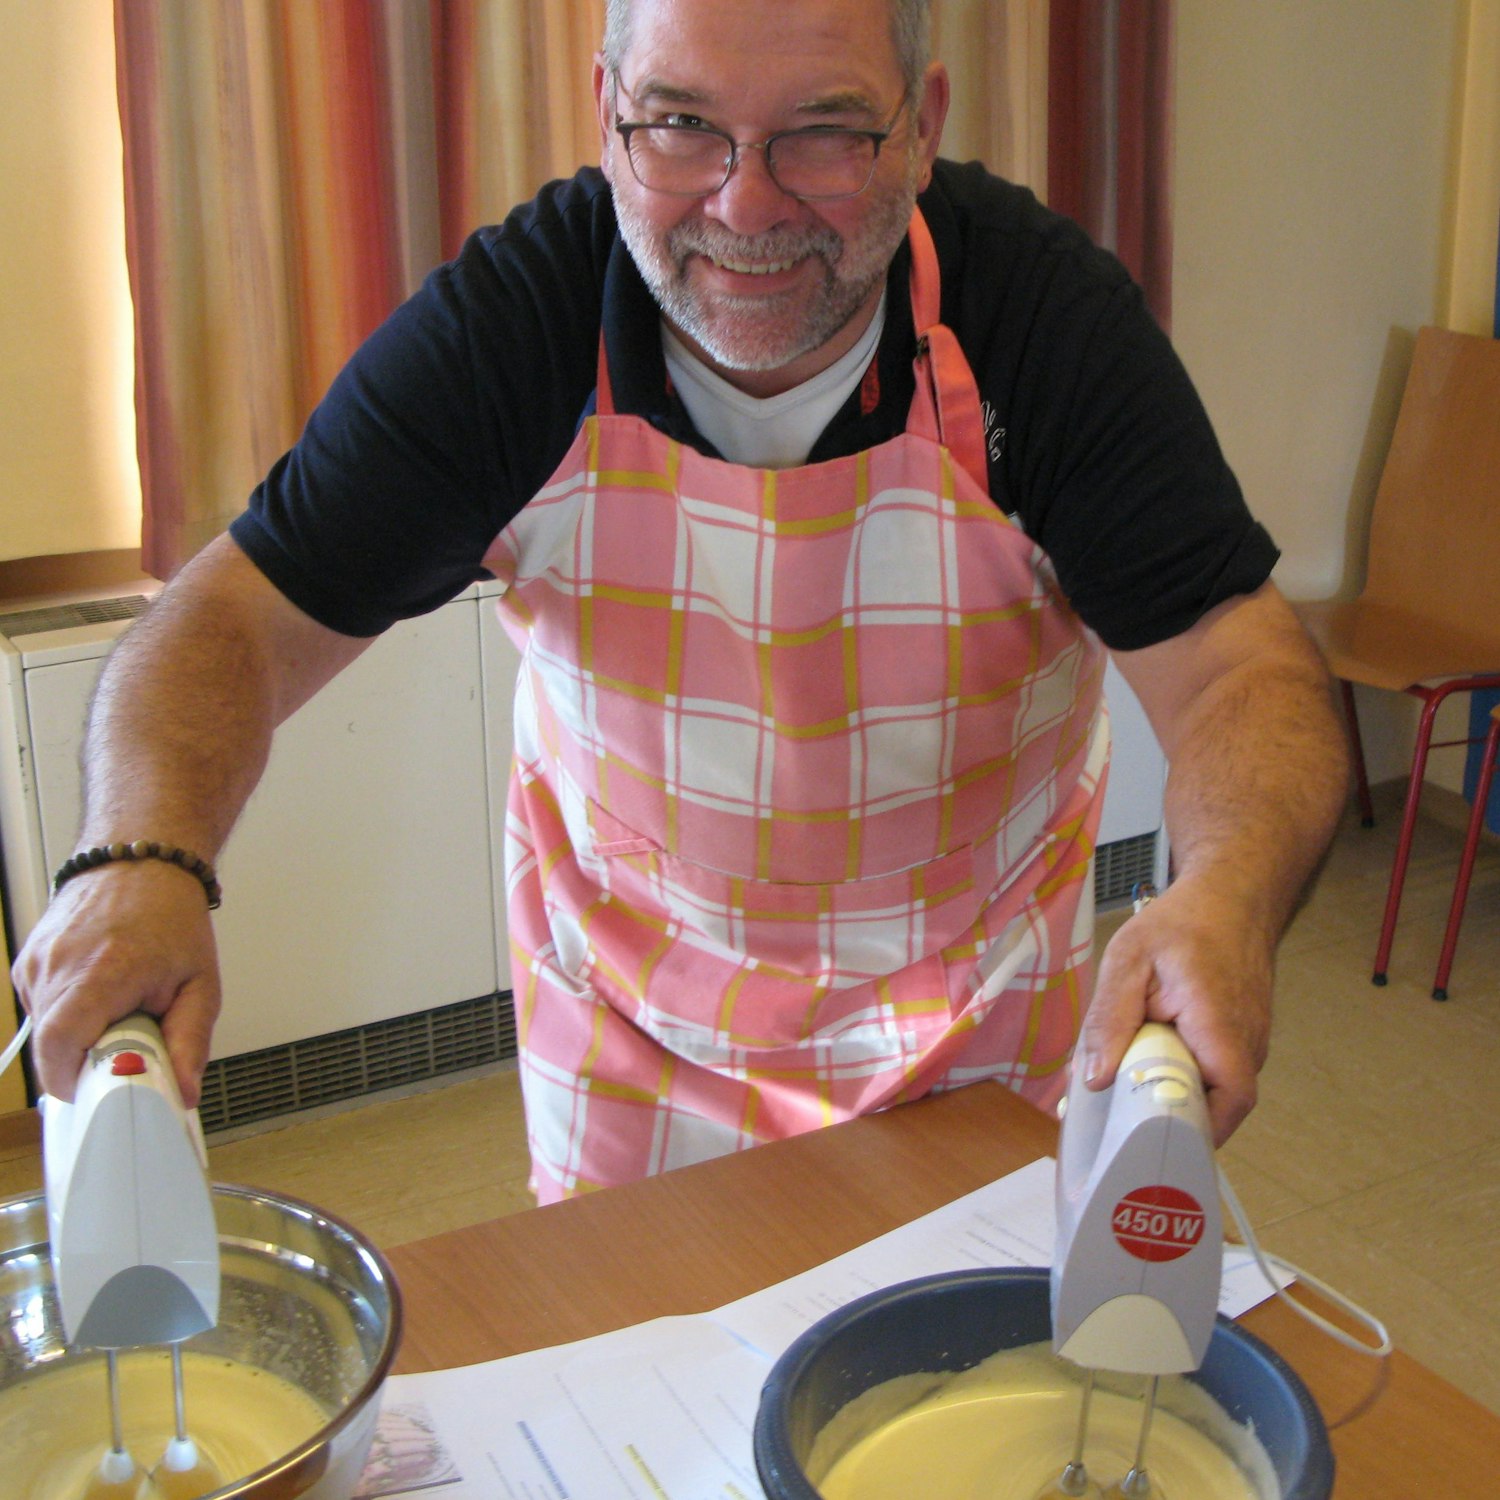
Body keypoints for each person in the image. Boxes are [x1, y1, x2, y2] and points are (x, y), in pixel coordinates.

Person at [13, 0, 1346, 1202]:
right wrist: (138, 855)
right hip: (630, 1054)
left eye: (823, 135)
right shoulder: (519, 330)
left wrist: (1224, 893)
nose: (745, 206)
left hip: (979, 1044)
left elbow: (1241, 672)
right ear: (609, 113)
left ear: (923, 122)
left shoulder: (1045, 328)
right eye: (683, 127)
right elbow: (233, 618)